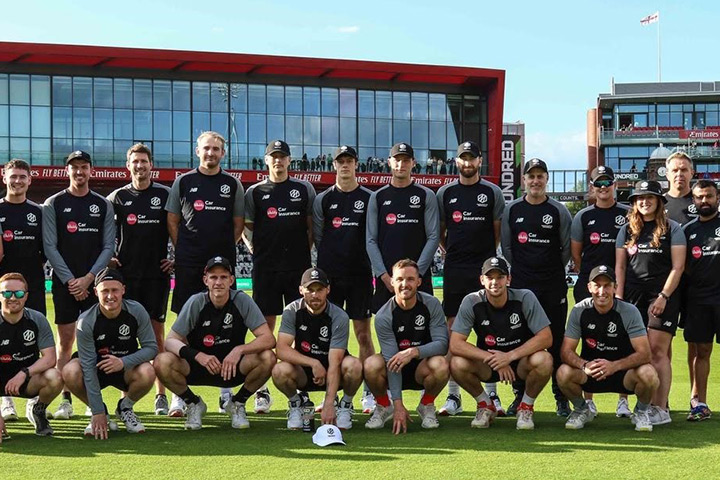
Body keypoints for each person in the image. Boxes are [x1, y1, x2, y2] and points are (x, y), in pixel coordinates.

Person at [166, 131, 244, 417]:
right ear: (197, 150)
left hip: (222, 263)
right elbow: (172, 221)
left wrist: (220, 252)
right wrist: (185, 249)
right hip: (189, 264)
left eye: (216, 149)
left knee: (228, 323)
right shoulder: (183, 182)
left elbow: (238, 225)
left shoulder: (232, 184)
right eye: (206, 148)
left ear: (223, 153)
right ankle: (181, 395)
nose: (211, 153)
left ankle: (226, 388)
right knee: (184, 324)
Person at [154, 256, 276, 430]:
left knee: (268, 358)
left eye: (223, 277)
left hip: (232, 368)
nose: (218, 282)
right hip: (199, 366)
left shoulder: (241, 300)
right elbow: (171, 341)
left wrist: (239, 350)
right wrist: (198, 356)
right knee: (162, 361)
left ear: (231, 280)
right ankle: (193, 403)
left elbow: (268, 339)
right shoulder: (196, 302)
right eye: (213, 277)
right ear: (206, 280)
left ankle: (237, 403)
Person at [43, 150, 116, 420]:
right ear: (67, 171)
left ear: (91, 170)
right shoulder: (53, 203)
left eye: (84, 167)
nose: (79, 172)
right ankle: (64, 400)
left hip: (94, 284)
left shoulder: (102, 204)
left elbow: (109, 246)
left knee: (93, 343)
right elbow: (50, 246)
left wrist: (88, 279)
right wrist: (71, 281)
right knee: (65, 343)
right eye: (74, 167)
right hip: (65, 284)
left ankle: (90, 397)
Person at [244, 140, 316, 412]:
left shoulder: (303, 189)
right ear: (266, 161)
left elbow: (311, 228)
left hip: (298, 269)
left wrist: (301, 254)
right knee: (265, 329)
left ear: (289, 160)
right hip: (266, 269)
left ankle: (300, 389)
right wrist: (257, 251)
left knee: (297, 329)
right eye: (273, 157)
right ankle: (261, 390)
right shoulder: (254, 192)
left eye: (282, 157)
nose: (278, 161)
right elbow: (246, 227)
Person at [435, 141, 505, 416]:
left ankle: (493, 394)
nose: (467, 163)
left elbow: (497, 232)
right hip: (455, 269)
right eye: (463, 158)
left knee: (492, 329)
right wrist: (453, 251)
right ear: (456, 161)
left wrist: (484, 260)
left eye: (472, 158)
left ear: (479, 161)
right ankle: (453, 396)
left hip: (485, 270)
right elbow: (441, 232)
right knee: (453, 330)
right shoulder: (445, 193)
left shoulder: (491, 192)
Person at [500, 158, 572, 416]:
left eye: (540, 176)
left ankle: (560, 396)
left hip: (552, 286)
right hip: (521, 286)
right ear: (524, 181)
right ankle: (520, 395)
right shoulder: (512, 210)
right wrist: (524, 271)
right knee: (521, 339)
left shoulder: (558, 210)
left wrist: (546, 270)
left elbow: (565, 250)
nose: (535, 181)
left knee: (556, 340)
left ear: (546, 180)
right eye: (531, 176)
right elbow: (507, 248)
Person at [107, 143, 173, 416]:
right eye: (135, 161)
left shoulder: (165, 195)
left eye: (144, 161)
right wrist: (109, 255)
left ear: (151, 165)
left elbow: (176, 227)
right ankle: (127, 396)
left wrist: (177, 256)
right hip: (128, 276)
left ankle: (161, 395)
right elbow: (105, 231)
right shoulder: (117, 197)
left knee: (157, 335)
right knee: (127, 337)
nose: (140, 165)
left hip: (156, 276)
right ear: (128, 165)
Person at [450, 257, 553, 430]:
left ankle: (525, 407)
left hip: (520, 362)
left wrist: (509, 356)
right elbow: (456, 344)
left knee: (545, 359)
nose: (495, 282)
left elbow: (546, 337)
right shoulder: (472, 301)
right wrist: (495, 359)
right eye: (490, 277)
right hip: (489, 363)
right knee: (456, 363)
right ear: (482, 280)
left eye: (500, 277)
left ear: (508, 279)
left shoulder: (525, 297)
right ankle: (485, 405)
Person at [616, 180, 686, 426]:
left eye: (650, 198)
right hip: (632, 297)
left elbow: (678, 267)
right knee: (637, 351)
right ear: (634, 203)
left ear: (659, 201)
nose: (644, 202)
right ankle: (643, 405)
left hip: (662, 296)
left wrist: (663, 296)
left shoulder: (672, 228)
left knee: (657, 352)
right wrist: (619, 297)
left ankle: (660, 408)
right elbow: (621, 266)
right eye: (639, 198)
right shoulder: (627, 230)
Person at [312, 145, 376, 413]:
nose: (345, 165)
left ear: (356, 165)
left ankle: (369, 391)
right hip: (331, 277)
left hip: (360, 274)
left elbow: (373, 235)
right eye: (341, 161)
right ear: (334, 166)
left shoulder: (369, 198)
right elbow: (318, 236)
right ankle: (330, 392)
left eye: (350, 160)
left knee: (362, 333)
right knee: (328, 337)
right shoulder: (323, 199)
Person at [558, 265, 659, 431]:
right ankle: (582, 409)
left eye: (607, 286)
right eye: (597, 285)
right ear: (589, 287)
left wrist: (614, 366)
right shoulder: (579, 310)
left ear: (615, 288)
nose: (602, 291)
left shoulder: (629, 311)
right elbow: (566, 351)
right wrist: (585, 366)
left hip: (623, 374)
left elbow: (645, 354)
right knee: (563, 372)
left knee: (649, 374)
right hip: (591, 373)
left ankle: (641, 411)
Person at [62, 268, 158, 438]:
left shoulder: (137, 311)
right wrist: (97, 411)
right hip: (96, 369)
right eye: (104, 290)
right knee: (70, 371)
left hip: (126, 368)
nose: (110, 296)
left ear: (123, 290)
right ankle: (101, 413)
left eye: (114, 290)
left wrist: (123, 362)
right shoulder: (85, 321)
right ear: (95, 292)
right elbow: (88, 367)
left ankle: (125, 408)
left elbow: (151, 349)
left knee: (148, 371)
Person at [570, 165, 629, 417]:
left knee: (623, 341)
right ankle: (588, 400)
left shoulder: (627, 214)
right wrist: (594, 284)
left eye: (608, 183)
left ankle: (623, 400)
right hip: (589, 285)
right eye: (598, 184)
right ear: (592, 187)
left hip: (619, 286)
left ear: (615, 185)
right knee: (588, 341)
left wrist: (616, 287)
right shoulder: (583, 216)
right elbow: (576, 253)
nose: (603, 188)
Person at [363, 259, 449, 433]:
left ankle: (426, 405)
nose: (405, 284)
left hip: (422, 368)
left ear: (419, 281)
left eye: (410, 279)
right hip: (393, 368)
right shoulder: (383, 316)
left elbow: (442, 344)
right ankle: (384, 405)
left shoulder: (431, 304)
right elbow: (391, 361)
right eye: (400, 279)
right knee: (371, 364)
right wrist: (398, 404)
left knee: (441, 364)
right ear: (392, 282)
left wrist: (413, 352)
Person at [272, 267, 362, 430]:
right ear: (301, 290)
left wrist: (329, 404)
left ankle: (345, 405)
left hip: (334, 370)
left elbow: (335, 363)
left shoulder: (339, 315)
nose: (315, 295)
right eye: (310, 289)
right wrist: (313, 363)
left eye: (319, 289)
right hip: (304, 371)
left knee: (354, 366)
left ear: (328, 290)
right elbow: (282, 350)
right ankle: (296, 404)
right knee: (279, 370)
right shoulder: (292, 311)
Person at [366, 143, 440, 314]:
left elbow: (433, 236)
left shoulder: (426, 195)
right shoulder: (378, 197)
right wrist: (384, 276)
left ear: (413, 163)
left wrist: (416, 275)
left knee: (422, 330)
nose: (401, 165)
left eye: (406, 160)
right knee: (386, 333)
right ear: (389, 162)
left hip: (419, 280)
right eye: (397, 160)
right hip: (387, 281)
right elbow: (370, 240)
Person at [0, 159, 45, 421]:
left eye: (22, 177)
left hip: (33, 286)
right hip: (4, 291)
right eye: (12, 176)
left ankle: (32, 398)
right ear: (4, 178)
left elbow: (45, 250)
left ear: (30, 180)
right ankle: (5, 399)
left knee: (34, 342)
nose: (17, 181)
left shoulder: (39, 211)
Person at [0, 272, 62, 439]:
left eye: (19, 293)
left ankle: (38, 410)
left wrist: (24, 373)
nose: (13, 297)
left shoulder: (37, 319)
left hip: (26, 380)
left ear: (26, 296)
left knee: (55, 376)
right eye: (7, 293)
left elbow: (50, 358)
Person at [661, 152, 698, 414]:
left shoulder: (702, 201)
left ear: (692, 173)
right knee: (664, 343)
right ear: (666, 173)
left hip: (697, 285)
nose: (679, 174)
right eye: (675, 170)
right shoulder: (659, 205)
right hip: (668, 284)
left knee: (697, 342)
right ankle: (664, 398)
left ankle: (696, 398)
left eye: (684, 169)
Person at [681, 180, 720, 421]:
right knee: (701, 350)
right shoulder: (688, 231)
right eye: (699, 197)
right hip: (699, 300)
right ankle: (701, 404)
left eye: (708, 196)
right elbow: (682, 267)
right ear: (693, 201)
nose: (704, 200)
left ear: (717, 198)